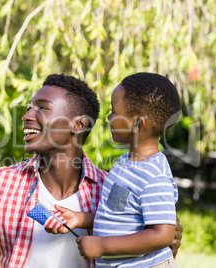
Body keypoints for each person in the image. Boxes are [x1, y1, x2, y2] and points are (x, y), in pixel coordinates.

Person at [0, 74, 183, 268]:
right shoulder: (1, 185)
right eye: (29, 107)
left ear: (78, 125)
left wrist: (167, 236)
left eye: (43, 108)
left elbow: (155, 234)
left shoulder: (108, 187)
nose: (27, 116)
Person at [47, 72, 181, 267]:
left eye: (114, 111)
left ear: (137, 123)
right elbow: (118, 216)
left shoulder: (154, 175)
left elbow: (163, 235)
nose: (108, 117)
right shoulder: (124, 163)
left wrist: (102, 245)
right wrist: (80, 218)